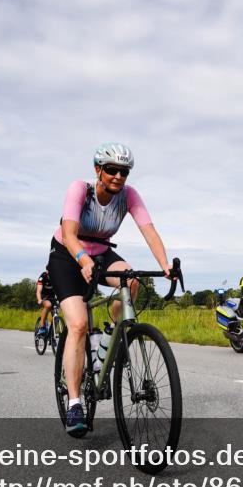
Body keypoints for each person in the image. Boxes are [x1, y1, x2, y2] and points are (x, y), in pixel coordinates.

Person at [48, 142, 171, 436]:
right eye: (111, 170)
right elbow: (69, 233)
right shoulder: (80, 189)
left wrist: (166, 266)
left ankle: (108, 341)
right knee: (77, 324)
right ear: (98, 170)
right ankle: (75, 403)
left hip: (102, 253)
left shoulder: (129, 196)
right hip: (67, 255)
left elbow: (149, 231)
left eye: (124, 171)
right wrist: (82, 259)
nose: (118, 176)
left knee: (132, 280)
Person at [35, 269, 56, 337]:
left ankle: (52, 334)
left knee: (56, 316)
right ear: (47, 271)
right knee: (48, 305)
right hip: (43, 296)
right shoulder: (43, 277)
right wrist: (39, 299)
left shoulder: (56, 276)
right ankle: (42, 327)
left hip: (52, 296)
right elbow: (38, 291)